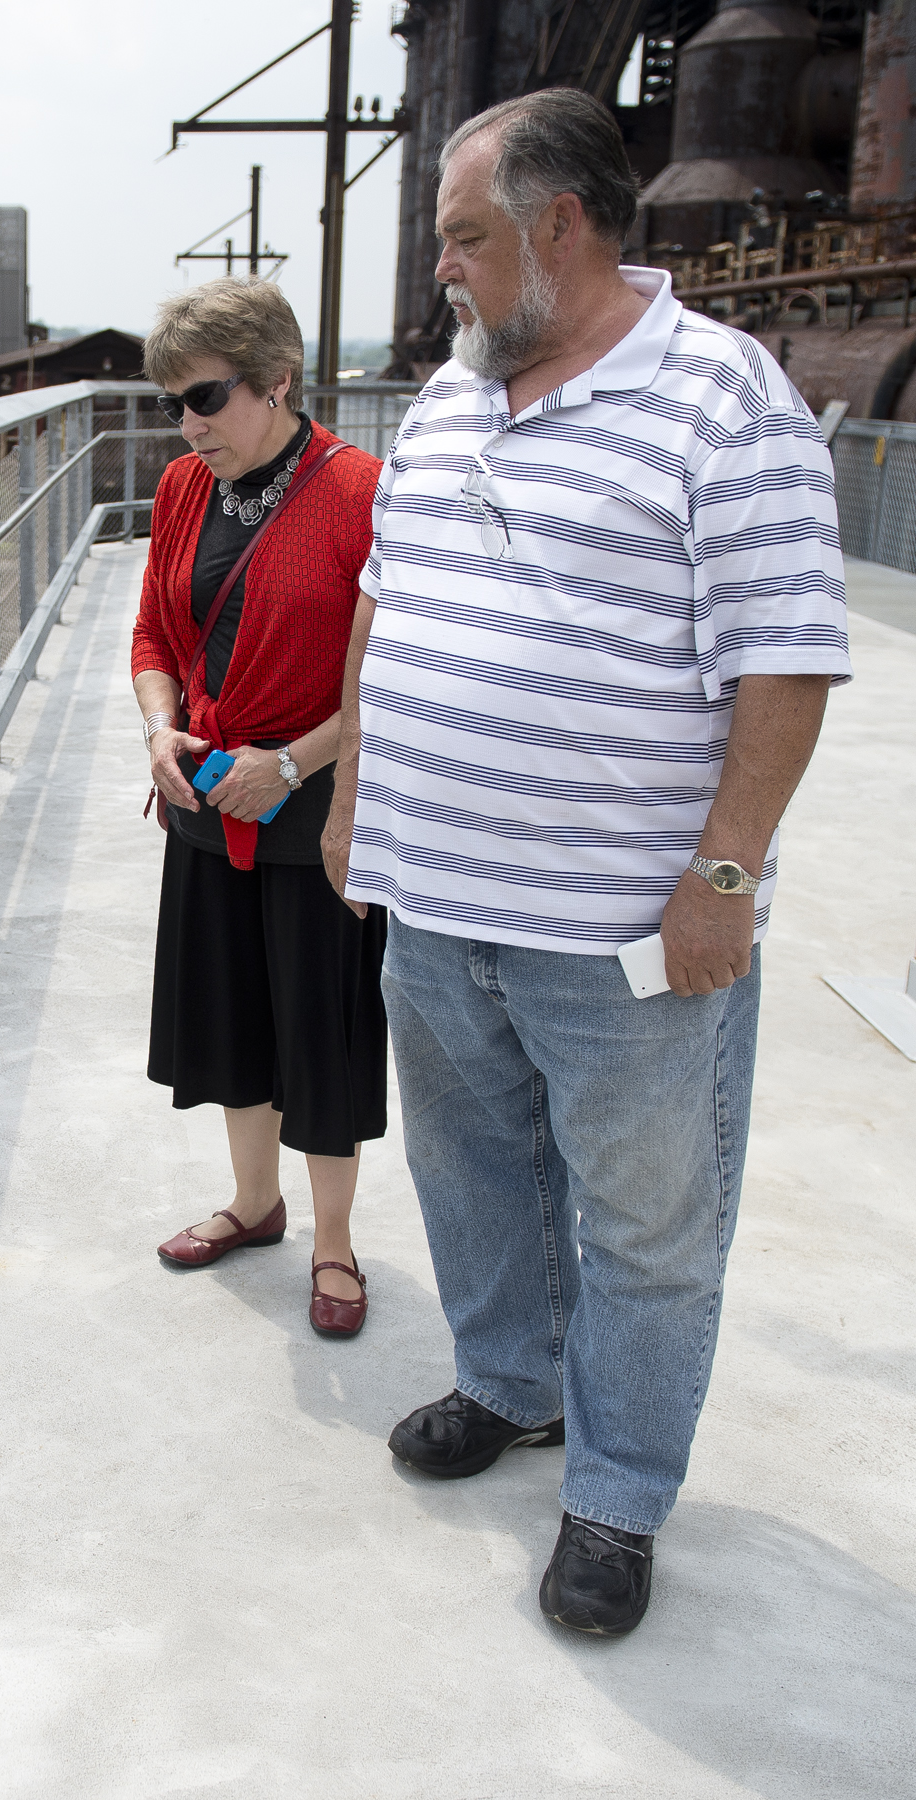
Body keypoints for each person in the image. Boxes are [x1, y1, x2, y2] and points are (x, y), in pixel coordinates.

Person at [321, 90, 850, 1634]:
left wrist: (727, 878)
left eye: (465, 240)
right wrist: (358, 797)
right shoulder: (448, 397)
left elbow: (787, 663)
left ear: (560, 227)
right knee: (471, 1177)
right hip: (439, 903)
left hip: (622, 932)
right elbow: (385, 599)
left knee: (644, 1226)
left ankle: (617, 1493)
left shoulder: (723, 398)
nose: (447, 274)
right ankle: (511, 1384)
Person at [131, 276, 389, 1338]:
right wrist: (159, 726)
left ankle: (334, 1242)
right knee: (233, 1016)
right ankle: (255, 1204)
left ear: (277, 382)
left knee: (320, 1027)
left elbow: (387, 672)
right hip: (204, 798)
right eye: (172, 405)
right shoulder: (185, 489)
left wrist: (289, 765)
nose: (188, 426)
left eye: (206, 398)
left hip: (315, 809)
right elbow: (153, 634)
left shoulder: (362, 490)